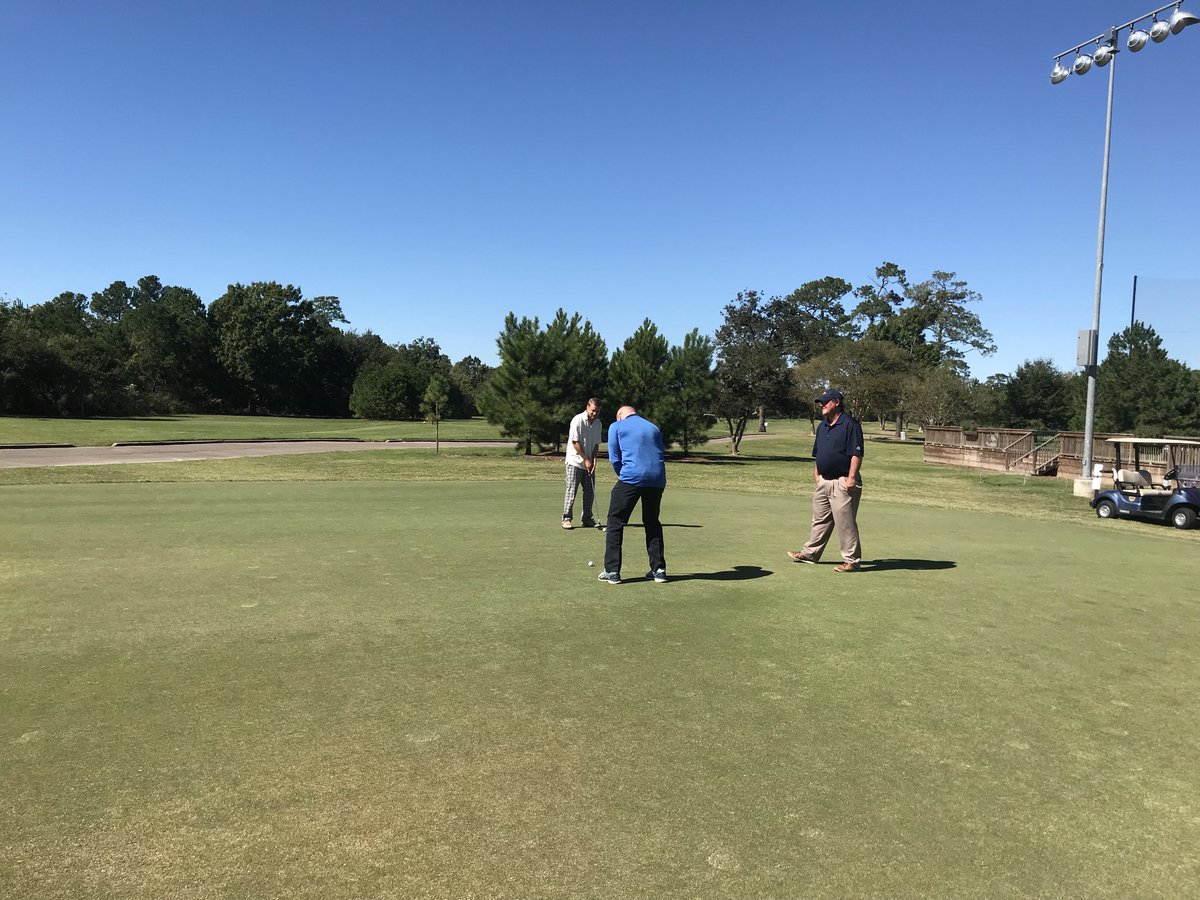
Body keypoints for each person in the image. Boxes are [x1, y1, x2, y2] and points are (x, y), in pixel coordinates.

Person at [788, 387, 864, 572]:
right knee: (819, 520)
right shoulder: (822, 426)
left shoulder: (850, 424)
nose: (821, 405)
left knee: (844, 523)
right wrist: (817, 475)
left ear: (836, 402)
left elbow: (856, 453)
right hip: (824, 482)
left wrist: (851, 478)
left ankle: (852, 561)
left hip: (843, 481)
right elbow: (819, 453)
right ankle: (810, 553)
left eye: (825, 401)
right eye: (820, 402)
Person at [597, 405, 667, 585]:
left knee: (615, 521)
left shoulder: (616, 426)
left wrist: (623, 475)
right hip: (657, 479)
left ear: (620, 415)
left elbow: (614, 457)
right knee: (652, 521)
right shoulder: (653, 427)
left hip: (631, 477)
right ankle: (658, 570)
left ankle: (612, 571)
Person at [562, 398, 603, 530]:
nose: (594, 414)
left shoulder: (598, 424)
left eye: (597, 411)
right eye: (592, 411)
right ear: (587, 407)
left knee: (590, 491)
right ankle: (566, 518)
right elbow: (575, 443)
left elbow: (596, 444)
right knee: (572, 490)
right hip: (575, 461)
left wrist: (593, 459)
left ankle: (586, 518)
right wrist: (586, 459)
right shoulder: (577, 420)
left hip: (589, 462)